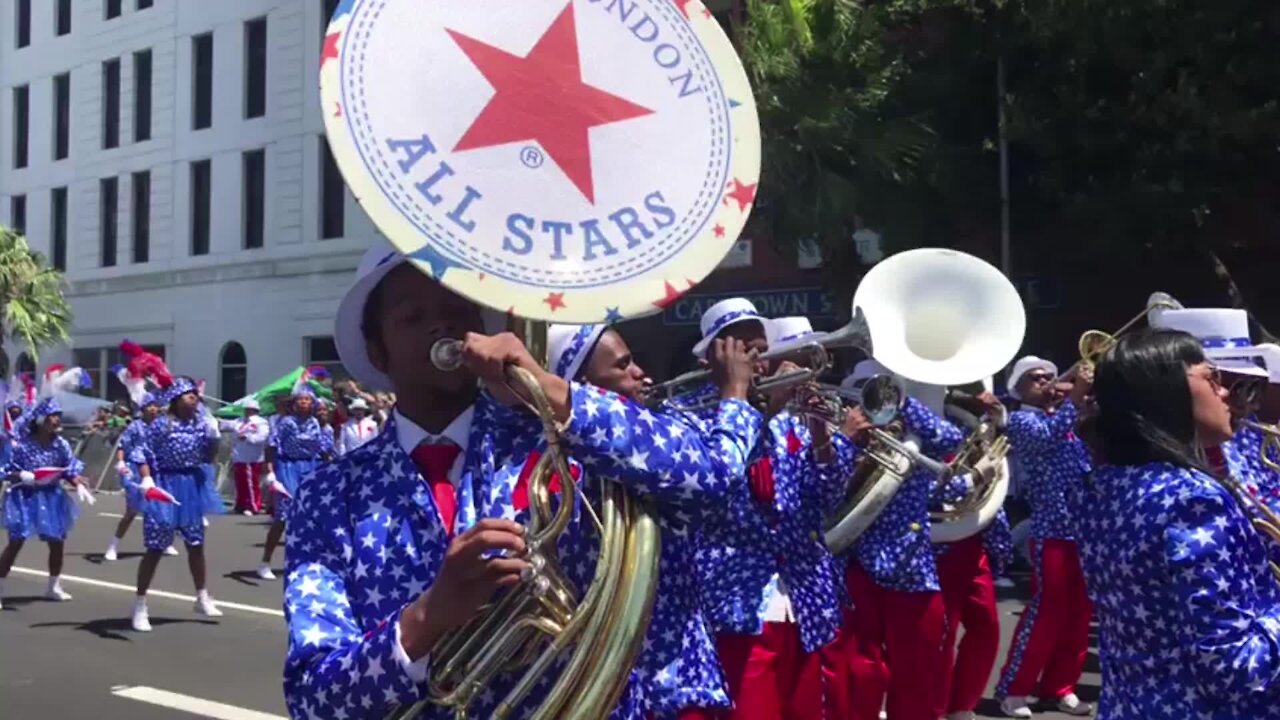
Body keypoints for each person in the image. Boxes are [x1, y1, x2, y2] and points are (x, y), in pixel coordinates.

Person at [282, 242, 758, 720]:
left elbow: (713, 479)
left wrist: (548, 391)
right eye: (412, 316)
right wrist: (427, 618)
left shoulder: (560, 441)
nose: (441, 325)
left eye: (457, 308)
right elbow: (312, 697)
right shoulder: (327, 494)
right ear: (377, 351)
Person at [545, 321, 760, 720]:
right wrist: (734, 394)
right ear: (586, 389)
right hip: (661, 682)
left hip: (645, 683)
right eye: (622, 366)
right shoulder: (628, 446)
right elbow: (718, 474)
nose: (640, 372)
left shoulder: (649, 431)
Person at [1072, 328, 1280, 719]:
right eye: (1212, 378)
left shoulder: (1097, 486)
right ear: (1166, 391)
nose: (1224, 393)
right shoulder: (1193, 498)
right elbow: (1237, 667)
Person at [838, 359, 976, 720]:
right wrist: (846, 439)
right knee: (862, 670)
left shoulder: (910, 444)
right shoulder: (843, 442)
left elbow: (951, 438)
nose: (874, 409)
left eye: (880, 397)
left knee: (917, 673)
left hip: (912, 569)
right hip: (857, 567)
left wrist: (903, 406)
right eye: (866, 397)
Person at [994, 355, 1094, 717]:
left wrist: (1085, 402)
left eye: (1050, 375)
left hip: (1082, 531)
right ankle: (1015, 689)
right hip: (1051, 531)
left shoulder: (1066, 418)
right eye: (1035, 378)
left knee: (1080, 615)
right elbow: (1046, 440)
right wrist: (1076, 395)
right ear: (1017, 388)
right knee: (1045, 614)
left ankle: (1061, 686)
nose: (1046, 380)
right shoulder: (1022, 420)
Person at [932, 381, 1015, 720]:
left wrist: (998, 422)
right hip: (940, 540)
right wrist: (972, 478)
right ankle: (935, 707)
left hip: (973, 534)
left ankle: (962, 703)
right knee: (943, 632)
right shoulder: (921, 422)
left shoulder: (969, 422)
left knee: (986, 625)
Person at [129, 376, 226, 631]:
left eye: (196, 394)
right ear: (176, 399)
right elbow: (141, 452)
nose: (194, 397)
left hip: (192, 485)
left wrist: (214, 438)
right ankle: (140, 605)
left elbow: (208, 457)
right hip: (165, 484)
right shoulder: (162, 424)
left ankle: (202, 596)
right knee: (155, 547)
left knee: (196, 544)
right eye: (188, 394)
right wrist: (147, 479)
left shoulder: (200, 424)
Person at [0, 395, 91, 608]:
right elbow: (6, 469)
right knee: (16, 542)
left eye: (59, 416)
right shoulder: (23, 445)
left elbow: (68, 467)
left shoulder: (61, 444)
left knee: (57, 542)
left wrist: (77, 480)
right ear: (41, 419)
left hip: (51, 496)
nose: (57, 421)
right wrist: (23, 475)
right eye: (53, 416)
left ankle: (53, 586)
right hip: (26, 496)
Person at [256, 382, 329, 580]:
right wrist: (270, 471)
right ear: (295, 403)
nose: (304, 402)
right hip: (288, 467)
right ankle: (265, 561)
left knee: (309, 518)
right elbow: (272, 446)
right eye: (301, 399)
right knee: (283, 515)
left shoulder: (316, 424)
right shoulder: (286, 422)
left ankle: (304, 561)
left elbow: (324, 450)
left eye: (308, 399)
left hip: (311, 468)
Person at [105, 394, 175, 560]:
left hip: (156, 470)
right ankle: (113, 544)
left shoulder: (161, 425)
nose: (152, 409)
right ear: (142, 409)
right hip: (135, 470)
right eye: (149, 406)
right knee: (132, 511)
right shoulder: (135, 426)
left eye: (154, 406)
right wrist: (121, 462)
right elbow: (122, 445)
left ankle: (166, 543)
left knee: (162, 509)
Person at [220, 398, 270, 516]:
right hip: (239, 457)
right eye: (246, 410)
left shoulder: (261, 422)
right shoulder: (239, 421)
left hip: (252, 457)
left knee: (251, 483)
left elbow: (262, 437)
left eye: (250, 410)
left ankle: (253, 506)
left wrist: (248, 438)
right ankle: (241, 505)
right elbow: (225, 425)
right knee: (240, 483)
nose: (248, 412)